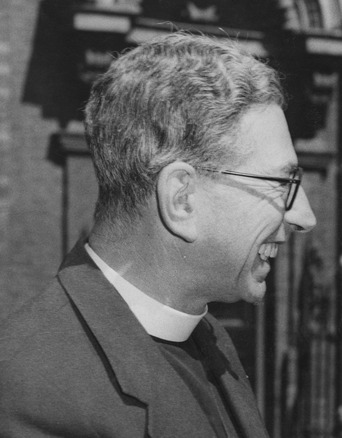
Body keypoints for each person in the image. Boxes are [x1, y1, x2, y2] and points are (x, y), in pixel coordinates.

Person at [0, 32, 316, 437]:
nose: (304, 217)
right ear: (181, 198)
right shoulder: (33, 391)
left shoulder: (208, 338)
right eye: (281, 184)